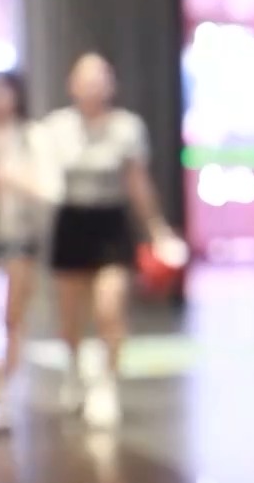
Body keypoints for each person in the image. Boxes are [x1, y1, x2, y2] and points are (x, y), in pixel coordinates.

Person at [41, 54, 178, 426]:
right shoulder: (56, 127)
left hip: (111, 223)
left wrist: (157, 228)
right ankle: (74, 370)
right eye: (85, 79)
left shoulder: (127, 127)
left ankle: (107, 385)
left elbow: (137, 182)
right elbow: (42, 178)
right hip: (72, 222)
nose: (93, 87)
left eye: (100, 78)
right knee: (70, 314)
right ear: (72, 84)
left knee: (109, 307)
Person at [0, 70, 56, 433]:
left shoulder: (32, 137)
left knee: (13, 316)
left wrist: (8, 177)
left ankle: (4, 391)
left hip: (17, 235)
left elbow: (50, 188)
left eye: (5, 92)